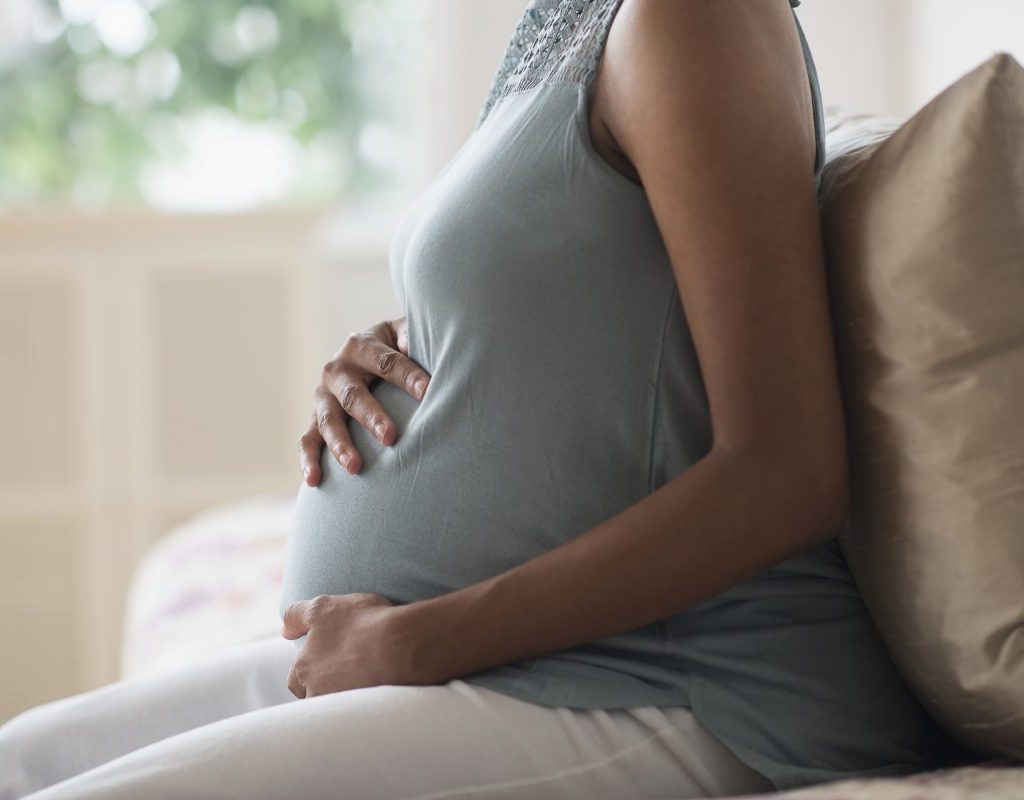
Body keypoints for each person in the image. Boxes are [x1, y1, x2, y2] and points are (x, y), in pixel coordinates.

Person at [0, 1, 938, 798]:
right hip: (511, 659)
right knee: (20, 760)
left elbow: (787, 469)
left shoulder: (694, 20)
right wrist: (401, 348)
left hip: (675, 682)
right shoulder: (570, 25)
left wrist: (420, 641)